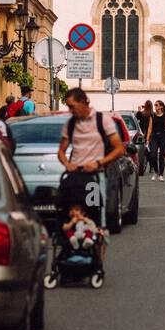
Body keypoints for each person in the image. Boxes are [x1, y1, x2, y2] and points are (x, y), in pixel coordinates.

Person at [57, 88, 125, 253]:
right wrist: (67, 163)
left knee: (94, 216)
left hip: (94, 177)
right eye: (68, 107)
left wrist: (99, 162)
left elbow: (119, 149)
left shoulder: (103, 121)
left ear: (83, 102)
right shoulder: (70, 123)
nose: (70, 110)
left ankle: (96, 261)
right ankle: (72, 253)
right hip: (74, 177)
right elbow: (61, 150)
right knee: (70, 213)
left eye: (72, 106)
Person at [146, 100, 165, 181]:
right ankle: (156, 172)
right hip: (154, 137)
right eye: (155, 105)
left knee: (161, 156)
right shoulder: (152, 116)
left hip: (164, 137)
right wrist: (147, 138)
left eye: (157, 105)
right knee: (153, 155)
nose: (155, 106)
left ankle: (161, 174)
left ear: (161, 106)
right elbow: (150, 127)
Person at [137, 101, 155, 171]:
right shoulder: (153, 114)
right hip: (151, 134)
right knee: (152, 149)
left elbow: (137, 118)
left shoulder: (142, 114)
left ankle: (144, 161)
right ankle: (152, 165)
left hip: (142, 133)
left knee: (143, 149)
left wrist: (139, 110)